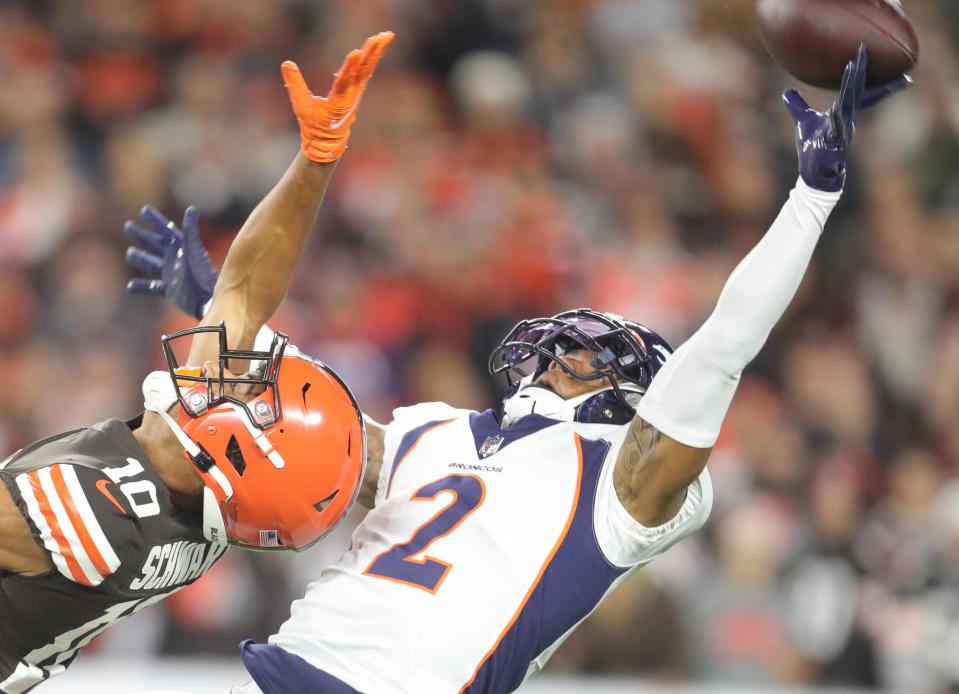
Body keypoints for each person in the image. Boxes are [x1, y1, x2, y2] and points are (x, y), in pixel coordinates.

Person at [127, 46, 909, 694]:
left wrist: (810, 196)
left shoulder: (618, 485)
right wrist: (217, 304)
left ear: (629, 397)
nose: (562, 351)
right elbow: (310, 424)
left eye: (589, 354)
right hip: (280, 666)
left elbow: (723, 345)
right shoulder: (433, 429)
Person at [0, 32, 394, 694]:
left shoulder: (101, 516)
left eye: (248, 390)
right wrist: (317, 158)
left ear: (236, 444)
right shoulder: (207, 495)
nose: (237, 365)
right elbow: (243, 292)